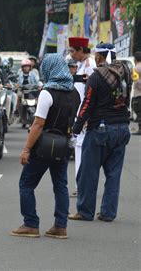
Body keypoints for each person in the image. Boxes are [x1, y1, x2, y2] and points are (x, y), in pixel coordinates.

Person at [11, 53, 80, 239]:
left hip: (43, 146)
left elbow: (38, 124)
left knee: (26, 184)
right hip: (63, 146)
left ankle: (31, 224)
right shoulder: (74, 93)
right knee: (61, 186)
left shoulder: (47, 93)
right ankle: (60, 226)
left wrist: (26, 149)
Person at [69, 43, 132, 222]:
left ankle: (85, 211)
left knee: (88, 173)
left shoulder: (96, 77)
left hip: (100, 130)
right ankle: (108, 213)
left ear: (100, 57)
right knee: (113, 174)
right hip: (122, 128)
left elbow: (86, 105)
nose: (95, 58)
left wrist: (76, 128)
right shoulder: (125, 72)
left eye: (96, 55)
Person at [68, 36, 96, 197]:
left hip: (84, 116)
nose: (71, 54)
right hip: (79, 114)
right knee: (79, 149)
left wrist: (85, 117)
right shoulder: (81, 65)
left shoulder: (90, 65)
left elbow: (91, 94)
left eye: (73, 51)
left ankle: (82, 186)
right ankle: (81, 185)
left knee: (81, 149)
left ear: (80, 50)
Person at [132, 51, 141, 135]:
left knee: (138, 111)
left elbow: (136, 81)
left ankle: (140, 129)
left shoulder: (135, 68)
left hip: (138, 94)